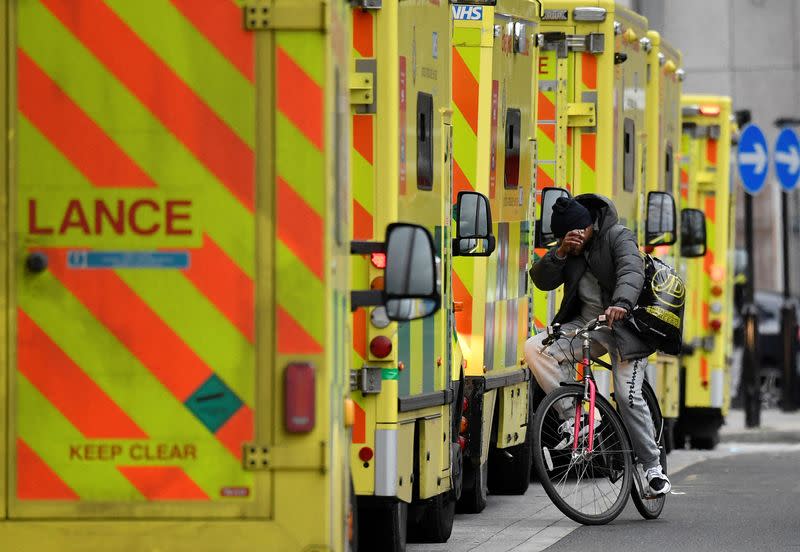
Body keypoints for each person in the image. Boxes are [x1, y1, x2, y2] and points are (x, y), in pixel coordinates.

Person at [524, 194, 671, 495]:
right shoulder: (570, 248)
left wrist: (621, 304)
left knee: (628, 397)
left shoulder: (618, 237)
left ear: (589, 224)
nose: (575, 236)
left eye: (578, 230)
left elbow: (631, 272)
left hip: (627, 329)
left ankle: (652, 469)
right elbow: (540, 279)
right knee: (535, 348)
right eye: (567, 234)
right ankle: (579, 419)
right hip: (589, 328)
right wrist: (561, 252)